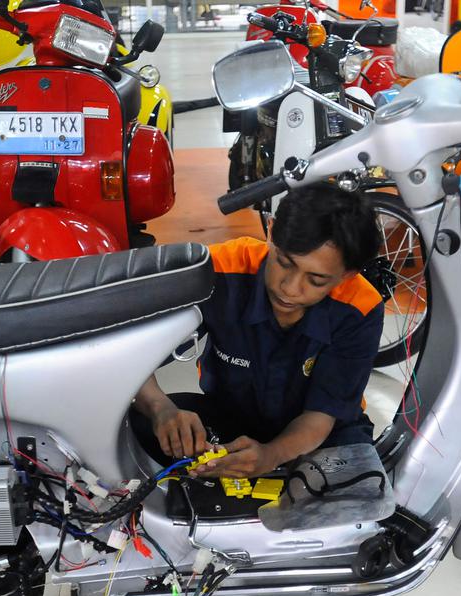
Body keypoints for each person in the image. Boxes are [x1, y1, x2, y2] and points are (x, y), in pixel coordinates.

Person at [131, 184, 385, 479]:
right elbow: (129, 352)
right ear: (271, 232)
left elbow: (322, 415)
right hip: (229, 418)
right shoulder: (217, 271)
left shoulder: (359, 307)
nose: (290, 288)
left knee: (353, 491)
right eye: (284, 263)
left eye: (316, 280)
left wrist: (270, 456)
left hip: (320, 435)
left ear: (347, 274)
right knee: (135, 431)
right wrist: (160, 408)